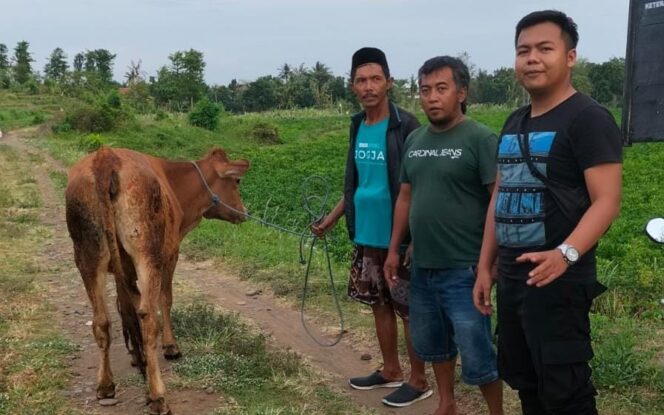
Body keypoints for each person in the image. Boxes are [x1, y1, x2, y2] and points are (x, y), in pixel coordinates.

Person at [473, 10, 622, 415]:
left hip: (560, 279)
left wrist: (565, 253)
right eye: (523, 51)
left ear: (570, 57)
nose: (532, 59)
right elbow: (499, 197)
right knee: (525, 380)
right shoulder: (514, 121)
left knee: (565, 388)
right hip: (514, 276)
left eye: (544, 49)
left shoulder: (588, 118)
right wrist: (486, 265)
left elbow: (607, 200)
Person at [312, 47, 431, 408]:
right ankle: (390, 370)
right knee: (378, 304)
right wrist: (332, 219)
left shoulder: (406, 126)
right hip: (366, 234)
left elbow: (421, 185)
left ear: (389, 83)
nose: (368, 87)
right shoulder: (357, 125)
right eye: (361, 80)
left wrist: (415, 238)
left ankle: (419, 378)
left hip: (400, 236)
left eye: (375, 79)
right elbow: (358, 183)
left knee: (408, 308)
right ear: (352, 86)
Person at [384, 56, 503, 415]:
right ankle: (446, 403)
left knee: (478, 352)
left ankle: (496, 412)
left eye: (441, 88)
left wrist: (490, 264)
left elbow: (497, 201)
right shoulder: (415, 140)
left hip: (465, 269)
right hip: (423, 267)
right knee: (434, 345)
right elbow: (406, 196)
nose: (432, 97)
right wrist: (394, 249)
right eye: (425, 90)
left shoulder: (480, 138)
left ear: (461, 92)